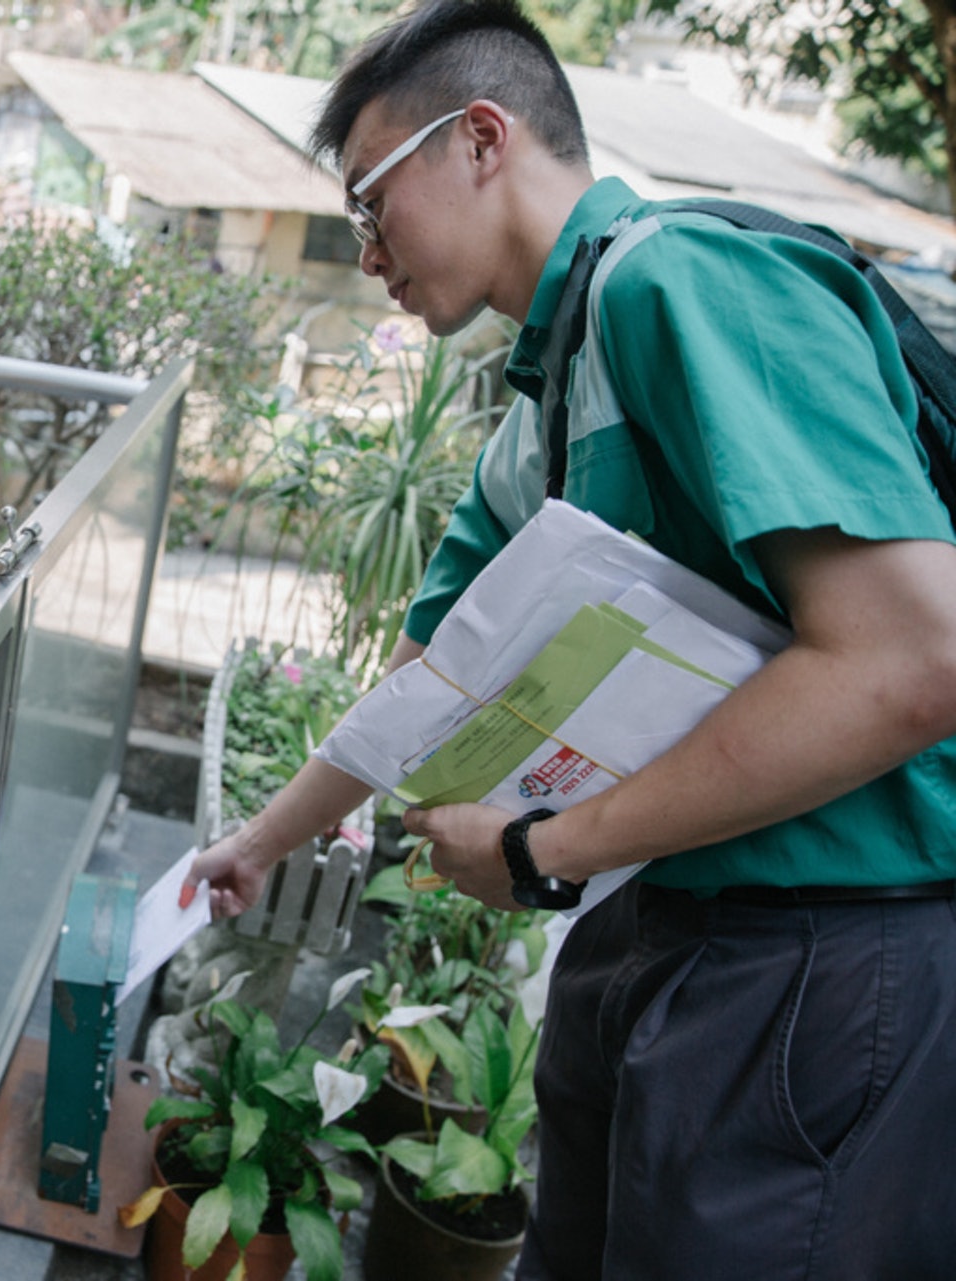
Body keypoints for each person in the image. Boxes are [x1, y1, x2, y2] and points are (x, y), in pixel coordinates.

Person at [185, 1, 956, 1276]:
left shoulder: (683, 281)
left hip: (830, 943)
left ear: (481, 139)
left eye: (373, 204)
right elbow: (428, 677)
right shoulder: (536, 418)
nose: (367, 253)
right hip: (671, 918)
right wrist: (268, 839)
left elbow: (912, 660)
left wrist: (546, 853)